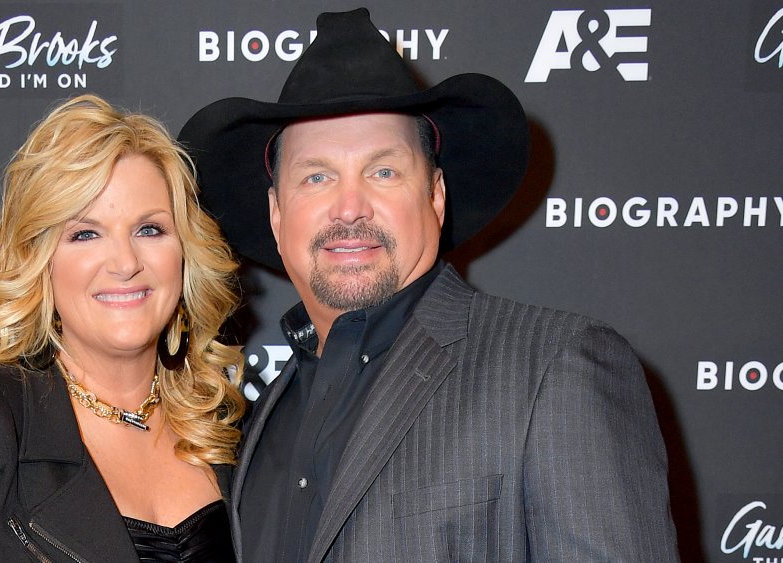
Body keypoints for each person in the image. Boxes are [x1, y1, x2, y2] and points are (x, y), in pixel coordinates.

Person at [178, 8, 678, 562]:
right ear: (277, 213)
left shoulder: (554, 367)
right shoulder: (257, 419)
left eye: (383, 171)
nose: (349, 207)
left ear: (435, 195)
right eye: (316, 177)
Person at [0, 94, 245, 562]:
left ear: (185, 253)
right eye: (85, 234)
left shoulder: (228, 431)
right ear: (40, 260)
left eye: (149, 229)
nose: (126, 263)